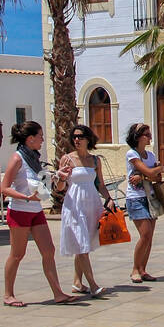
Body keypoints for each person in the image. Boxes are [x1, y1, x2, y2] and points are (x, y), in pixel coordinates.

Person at [1, 121, 76, 308]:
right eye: (40, 136)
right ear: (30, 138)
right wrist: (25, 197)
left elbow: (44, 184)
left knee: (48, 250)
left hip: (36, 211)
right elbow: (4, 188)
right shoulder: (18, 158)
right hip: (19, 211)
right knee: (17, 254)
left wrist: (59, 175)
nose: (43, 139)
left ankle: (58, 293)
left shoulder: (34, 157)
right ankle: (8, 294)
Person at [58, 124, 114, 297]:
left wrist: (109, 199)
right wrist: (62, 176)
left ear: (88, 139)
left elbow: (101, 185)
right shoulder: (67, 159)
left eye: (80, 136)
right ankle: (93, 285)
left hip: (91, 204)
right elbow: (60, 187)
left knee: (83, 244)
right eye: (74, 136)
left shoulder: (95, 160)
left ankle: (77, 283)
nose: (77, 139)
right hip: (74, 206)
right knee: (81, 245)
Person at [124, 123, 164, 283]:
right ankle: (135, 269)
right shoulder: (131, 154)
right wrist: (153, 172)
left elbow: (158, 177)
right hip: (135, 198)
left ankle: (143, 269)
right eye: (146, 134)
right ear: (138, 136)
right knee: (145, 234)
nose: (150, 136)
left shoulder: (151, 155)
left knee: (149, 237)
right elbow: (151, 171)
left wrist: (142, 177)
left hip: (151, 197)